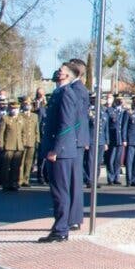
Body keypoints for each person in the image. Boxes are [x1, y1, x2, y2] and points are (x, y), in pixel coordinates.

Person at [40, 59, 90, 242]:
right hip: (62, 147)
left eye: (61, 71)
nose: (57, 73)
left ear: (68, 75)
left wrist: (57, 148)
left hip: (63, 150)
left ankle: (62, 229)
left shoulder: (68, 93)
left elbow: (68, 124)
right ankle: (59, 226)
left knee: (62, 190)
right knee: (58, 190)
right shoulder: (59, 92)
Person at [0, 100, 26, 190]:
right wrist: (0, 143)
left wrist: (23, 143)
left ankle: (14, 183)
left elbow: (23, 132)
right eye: (12, 108)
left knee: (16, 166)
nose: (14, 110)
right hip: (8, 145)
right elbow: (1, 132)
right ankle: (5, 183)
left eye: (16, 108)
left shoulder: (21, 119)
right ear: (9, 109)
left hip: (18, 146)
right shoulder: (5, 118)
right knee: (5, 166)